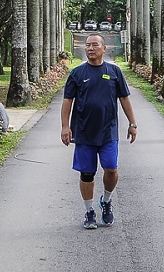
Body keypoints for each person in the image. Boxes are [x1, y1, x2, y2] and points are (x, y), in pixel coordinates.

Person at [60, 33, 137, 230]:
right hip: (84, 132)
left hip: (108, 131)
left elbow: (124, 98)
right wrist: (65, 126)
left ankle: (106, 200)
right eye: (88, 45)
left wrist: (132, 123)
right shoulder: (77, 73)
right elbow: (67, 101)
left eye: (95, 45)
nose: (90, 48)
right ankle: (89, 211)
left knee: (111, 168)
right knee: (87, 173)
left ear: (104, 49)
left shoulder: (114, 71)